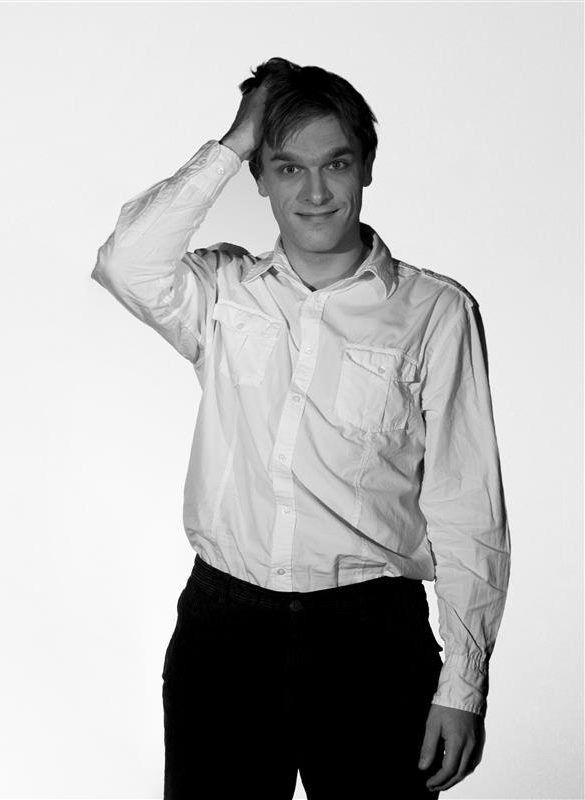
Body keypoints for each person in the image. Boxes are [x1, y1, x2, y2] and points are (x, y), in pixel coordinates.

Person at [91, 57, 511, 799]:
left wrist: (464, 683)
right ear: (260, 177)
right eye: (287, 167)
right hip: (223, 631)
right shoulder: (222, 293)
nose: (314, 193)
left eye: (335, 164)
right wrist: (237, 137)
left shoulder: (436, 313)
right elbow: (126, 261)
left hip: (371, 639)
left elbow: (467, 502)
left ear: (366, 167)